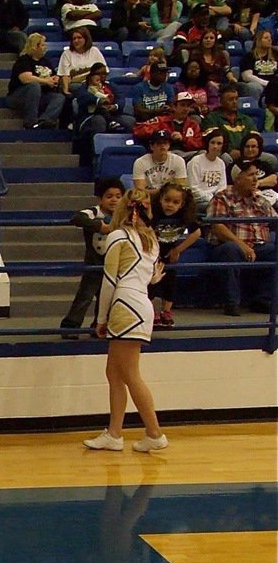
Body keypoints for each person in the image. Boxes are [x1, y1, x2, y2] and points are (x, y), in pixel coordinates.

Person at [82, 189, 168, 453]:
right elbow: (149, 276)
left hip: (125, 305)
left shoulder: (117, 236)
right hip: (143, 303)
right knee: (114, 372)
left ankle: (154, 433)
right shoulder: (151, 239)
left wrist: (101, 318)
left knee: (130, 374)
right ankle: (114, 433)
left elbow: (109, 281)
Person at [206, 161, 277, 314]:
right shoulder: (222, 197)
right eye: (250, 175)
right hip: (230, 246)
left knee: (274, 250)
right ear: (238, 178)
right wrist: (242, 246)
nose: (255, 179)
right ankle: (232, 303)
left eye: (256, 175)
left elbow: (275, 221)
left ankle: (264, 301)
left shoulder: (261, 200)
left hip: (260, 246)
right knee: (230, 250)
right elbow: (218, 228)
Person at [60, 176, 125, 336]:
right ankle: (70, 326)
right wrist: (98, 226)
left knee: (107, 297)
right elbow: (77, 218)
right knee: (85, 296)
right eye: (109, 196)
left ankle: (99, 325)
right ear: (100, 198)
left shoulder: (124, 215)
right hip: (94, 264)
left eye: (118, 196)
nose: (114, 200)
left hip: (113, 265)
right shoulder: (94, 212)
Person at [149, 181, 201, 327]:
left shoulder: (185, 215)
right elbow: (145, 230)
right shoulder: (154, 213)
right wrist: (152, 252)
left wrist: (178, 249)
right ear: (160, 199)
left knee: (170, 282)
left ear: (182, 204)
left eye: (175, 202)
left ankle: (166, 312)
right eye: (167, 200)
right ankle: (151, 312)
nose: (170, 205)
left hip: (171, 252)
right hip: (152, 252)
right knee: (151, 283)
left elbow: (197, 232)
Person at [7, 31, 66, 129]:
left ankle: (45, 121)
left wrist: (55, 79)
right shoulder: (23, 60)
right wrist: (46, 81)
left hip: (40, 96)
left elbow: (53, 76)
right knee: (34, 86)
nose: (45, 47)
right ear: (35, 47)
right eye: (42, 45)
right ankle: (30, 122)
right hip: (18, 96)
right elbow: (26, 78)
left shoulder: (46, 61)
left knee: (59, 97)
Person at [202, 83, 256, 160]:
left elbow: (255, 138)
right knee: (226, 158)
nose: (235, 102)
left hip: (247, 152)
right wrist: (229, 150)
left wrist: (245, 151)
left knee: (270, 159)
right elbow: (212, 140)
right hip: (224, 153)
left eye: (236, 99)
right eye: (231, 99)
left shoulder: (246, 119)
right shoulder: (211, 118)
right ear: (221, 101)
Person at [231, 131, 278, 210]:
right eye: (247, 146)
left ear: (259, 148)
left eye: (253, 146)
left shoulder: (264, 164)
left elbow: (273, 180)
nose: (250, 149)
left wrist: (258, 183)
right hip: (244, 198)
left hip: (267, 196)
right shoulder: (236, 166)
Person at [186, 127, 228, 215]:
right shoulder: (195, 162)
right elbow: (193, 189)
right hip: (198, 202)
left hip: (216, 201)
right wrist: (211, 199)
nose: (215, 146)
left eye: (219, 143)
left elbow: (222, 187)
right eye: (212, 143)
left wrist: (217, 199)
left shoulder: (221, 163)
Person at [240, 28, 277, 98]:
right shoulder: (249, 56)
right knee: (254, 87)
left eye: (270, 38)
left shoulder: (275, 55)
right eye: (266, 38)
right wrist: (267, 83)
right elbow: (247, 77)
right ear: (258, 40)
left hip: (274, 85)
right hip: (258, 85)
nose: (270, 40)